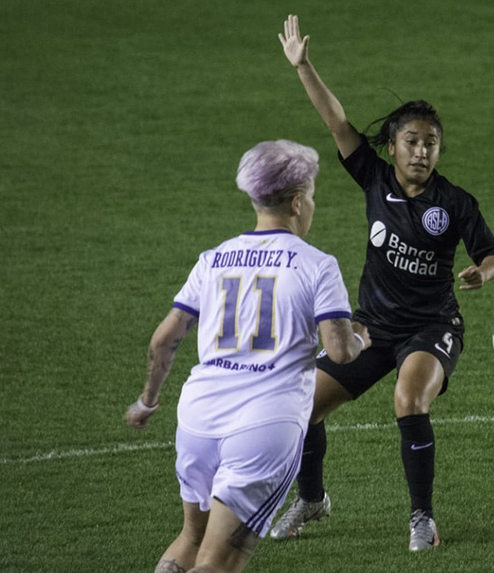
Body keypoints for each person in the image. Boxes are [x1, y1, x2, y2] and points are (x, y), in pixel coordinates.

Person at [273, 15, 494, 552]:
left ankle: (421, 517)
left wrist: (483, 272)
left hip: (431, 326)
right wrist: (304, 66)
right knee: (304, 404)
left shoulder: (455, 203)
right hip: (372, 327)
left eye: (431, 143)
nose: (422, 151)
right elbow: (336, 123)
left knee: (409, 399)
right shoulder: (375, 179)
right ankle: (312, 499)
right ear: (394, 146)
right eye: (411, 141)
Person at [124, 139, 371, 573]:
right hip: (264, 427)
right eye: (311, 196)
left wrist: (148, 400)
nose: (311, 205)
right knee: (219, 563)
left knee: (191, 538)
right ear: (297, 202)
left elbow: (164, 339)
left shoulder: (214, 259)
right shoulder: (316, 264)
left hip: (198, 417)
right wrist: (362, 339)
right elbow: (339, 350)